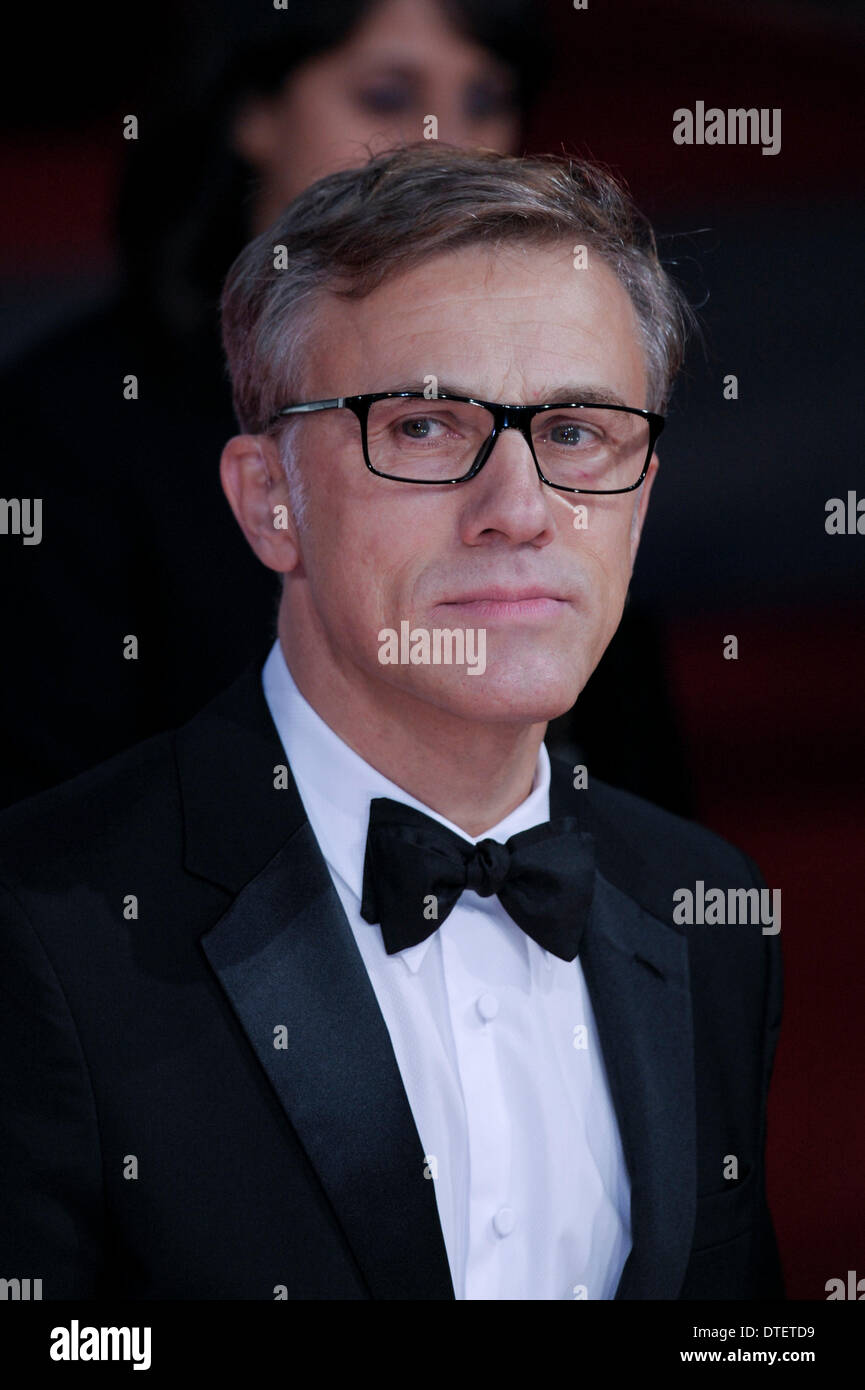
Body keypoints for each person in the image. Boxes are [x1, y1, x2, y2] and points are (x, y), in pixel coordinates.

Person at [0, 144, 782, 1300]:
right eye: (423, 426)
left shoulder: (705, 909)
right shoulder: (41, 931)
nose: (518, 510)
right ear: (270, 500)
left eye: (574, 432)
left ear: (642, 497)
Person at [0, 0, 549, 808]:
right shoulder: (71, 419)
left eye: (483, 100)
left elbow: (622, 792)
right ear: (254, 111)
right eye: (388, 97)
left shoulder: (549, 390)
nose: (448, 148)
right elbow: (50, 827)